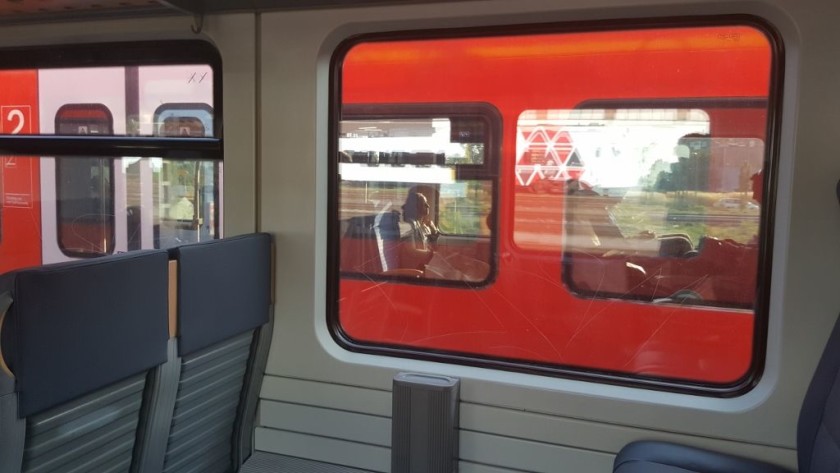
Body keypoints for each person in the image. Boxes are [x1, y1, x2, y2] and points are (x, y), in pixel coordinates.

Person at [399, 189, 440, 270]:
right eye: (425, 204)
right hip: (413, 269)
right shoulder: (408, 225)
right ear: (416, 207)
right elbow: (412, 251)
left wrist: (434, 231)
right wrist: (433, 255)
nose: (428, 206)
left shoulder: (419, 224)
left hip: (421, 264)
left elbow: (430, 245)